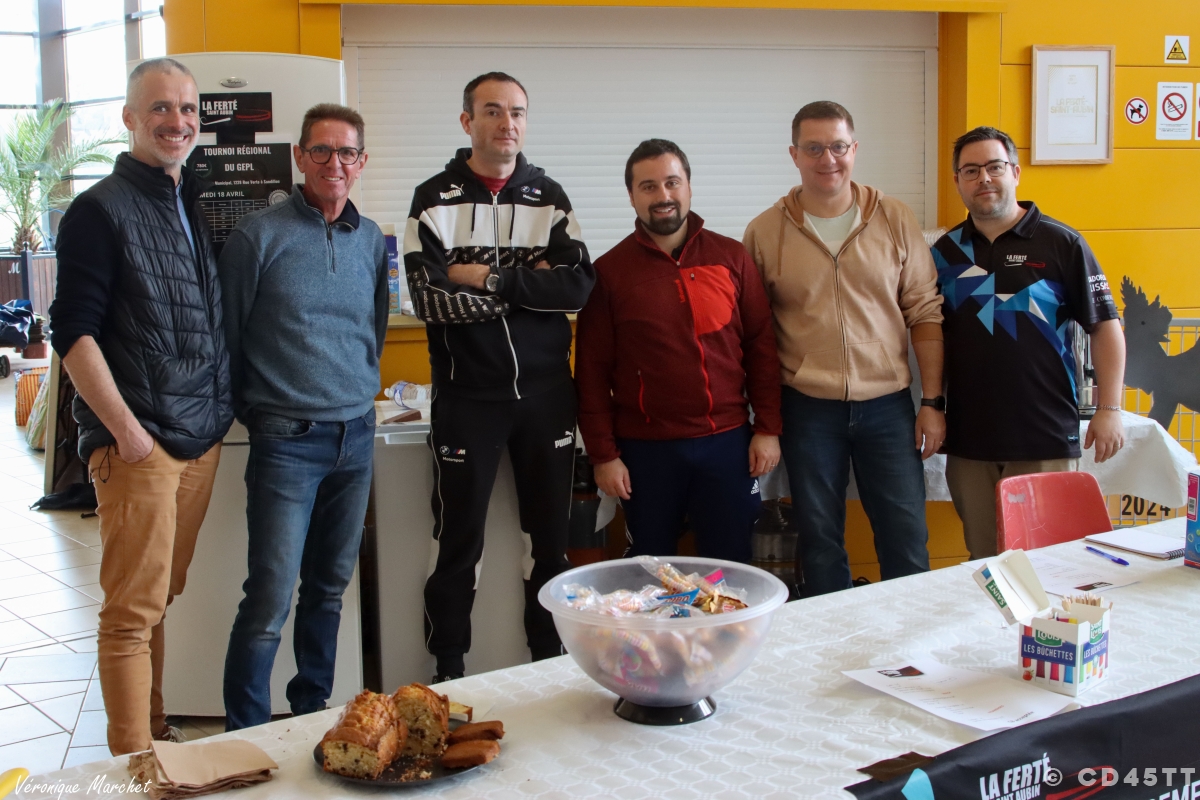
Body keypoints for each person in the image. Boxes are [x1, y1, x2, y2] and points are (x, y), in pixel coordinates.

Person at [47, 57, 232, 754]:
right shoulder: (98, 210)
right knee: (130, 613)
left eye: (188, 109)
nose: (177, 121)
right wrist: (125, 434)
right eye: (160, 107)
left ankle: (153, 732)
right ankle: (134, 768)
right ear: (129, 117)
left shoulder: (187, 198)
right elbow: (72, 333)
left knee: (158, 598)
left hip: (197, 436)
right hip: (141, 443)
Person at [404, 72, 595, 682]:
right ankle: (449, 668)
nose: (506, 123)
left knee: (550, 543)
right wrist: (527, 288)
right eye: (492, 111)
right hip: (468, 399)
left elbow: (577, 288)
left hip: (547, 398)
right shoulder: (432, 198)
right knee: (458, 543)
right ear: (468, 121)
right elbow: (429, 299)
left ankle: (548, 662)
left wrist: (486, 278)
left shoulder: (549, 197)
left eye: (516, 112)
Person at [218, 104, 388, 729]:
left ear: (362, 162)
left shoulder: (370, 239)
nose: (333, 163)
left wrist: (355, 395)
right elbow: (228, 336)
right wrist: (259, 412)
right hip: (285, 441)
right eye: (321, 150)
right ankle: (245, 733)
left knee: (328, 589)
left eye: (346, 152)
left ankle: (311, 713)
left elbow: (371, 328)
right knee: (268, 598)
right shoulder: (256, 236)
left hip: (356, 436)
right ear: (299, 157)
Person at [742, 100, 944, 596]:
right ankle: (832, 637)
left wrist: (932, 402)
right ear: (794, 154)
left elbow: (925, 313)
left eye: (837, 147)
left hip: (888, 406)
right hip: (808, 409)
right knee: (820, 541)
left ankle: (909, 634)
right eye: (814, 148)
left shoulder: (894, 218)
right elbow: (755, 335)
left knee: (905, 536)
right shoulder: (764, 232)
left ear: (854, 149)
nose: (827, 159)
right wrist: (766, 420)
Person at [575, 139, 782, 561]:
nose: (663, 195)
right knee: (653, 568)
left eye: (672, 182)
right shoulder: (609, 274)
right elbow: (592, 374)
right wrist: (604, 456)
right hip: (645, 451)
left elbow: (761, 346)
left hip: (727, 443)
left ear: (689, 186)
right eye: (648, 186)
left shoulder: (732, 257)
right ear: (631, 195)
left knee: (731, 566)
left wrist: (767, 428)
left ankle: (723, 612)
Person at [932, 126, 1125, 560]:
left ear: (1015, 172)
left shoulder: (1062, 243)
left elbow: (1105, 328)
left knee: (1049, 565)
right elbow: (929, 336)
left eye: (994, 167)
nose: (984, 178)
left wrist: (1110, 409)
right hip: (970, 441)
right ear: (958, 181)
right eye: (970, 170)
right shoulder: (943, 253)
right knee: (986, 564)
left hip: (1044, 436)